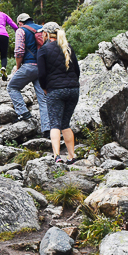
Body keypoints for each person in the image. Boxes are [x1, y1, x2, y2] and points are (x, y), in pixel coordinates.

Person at [37, 22, 81, 164]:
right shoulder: (69, 48)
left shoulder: (43, 50)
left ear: (46, 34)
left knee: (55, 124)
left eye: (42, 33)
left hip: (55, 90)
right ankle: (72, 156)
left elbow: (42, 74)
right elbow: (77, 71)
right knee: (65, 124)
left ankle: (57, 156)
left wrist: (44, 88)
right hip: (73, 90)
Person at [7, 13, 50, 138]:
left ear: (20, 22)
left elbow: (19, 51)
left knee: (12, 87)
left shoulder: (21, 30)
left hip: (29, 66)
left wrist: (18, 67)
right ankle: (47, 130)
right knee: (42, 99)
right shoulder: (41, 29)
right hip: (42, 68)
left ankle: (23, 112)